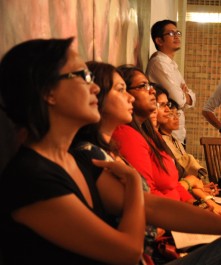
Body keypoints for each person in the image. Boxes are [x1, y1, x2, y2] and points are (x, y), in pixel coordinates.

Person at [69, 61, 221, 265]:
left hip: (157, 236)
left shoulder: (112, 149)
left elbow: (154, 202)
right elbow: (149, 210)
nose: (131, 97)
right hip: (151, 248)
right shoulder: (95, 153)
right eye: (121, 89)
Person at [0, 37, 146, 264]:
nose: (96, 88)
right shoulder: (30, 179)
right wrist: (134, 181)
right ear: (48, 92)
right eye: (83, 77)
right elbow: (127, 252)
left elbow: (154, 207)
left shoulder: (74, 160)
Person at [114, 65, 221, 218]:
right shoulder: (127, 135)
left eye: (149, 85)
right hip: (164, 219)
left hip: (175, 210)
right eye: (143, 86)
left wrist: (199, 205)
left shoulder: (151, 135)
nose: (152, 91)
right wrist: (192, 190)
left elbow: (173, 185)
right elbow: (148, 196)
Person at [146, 19, 195, 146]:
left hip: (177, 131)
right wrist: (185, 96)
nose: (177, 36)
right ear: (159, 41)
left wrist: (187, 96)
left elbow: (192, 100)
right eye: (171, 34)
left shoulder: (171, 64)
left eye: (177, 33)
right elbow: (179, 100)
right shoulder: (159, 63)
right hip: (165, 130)